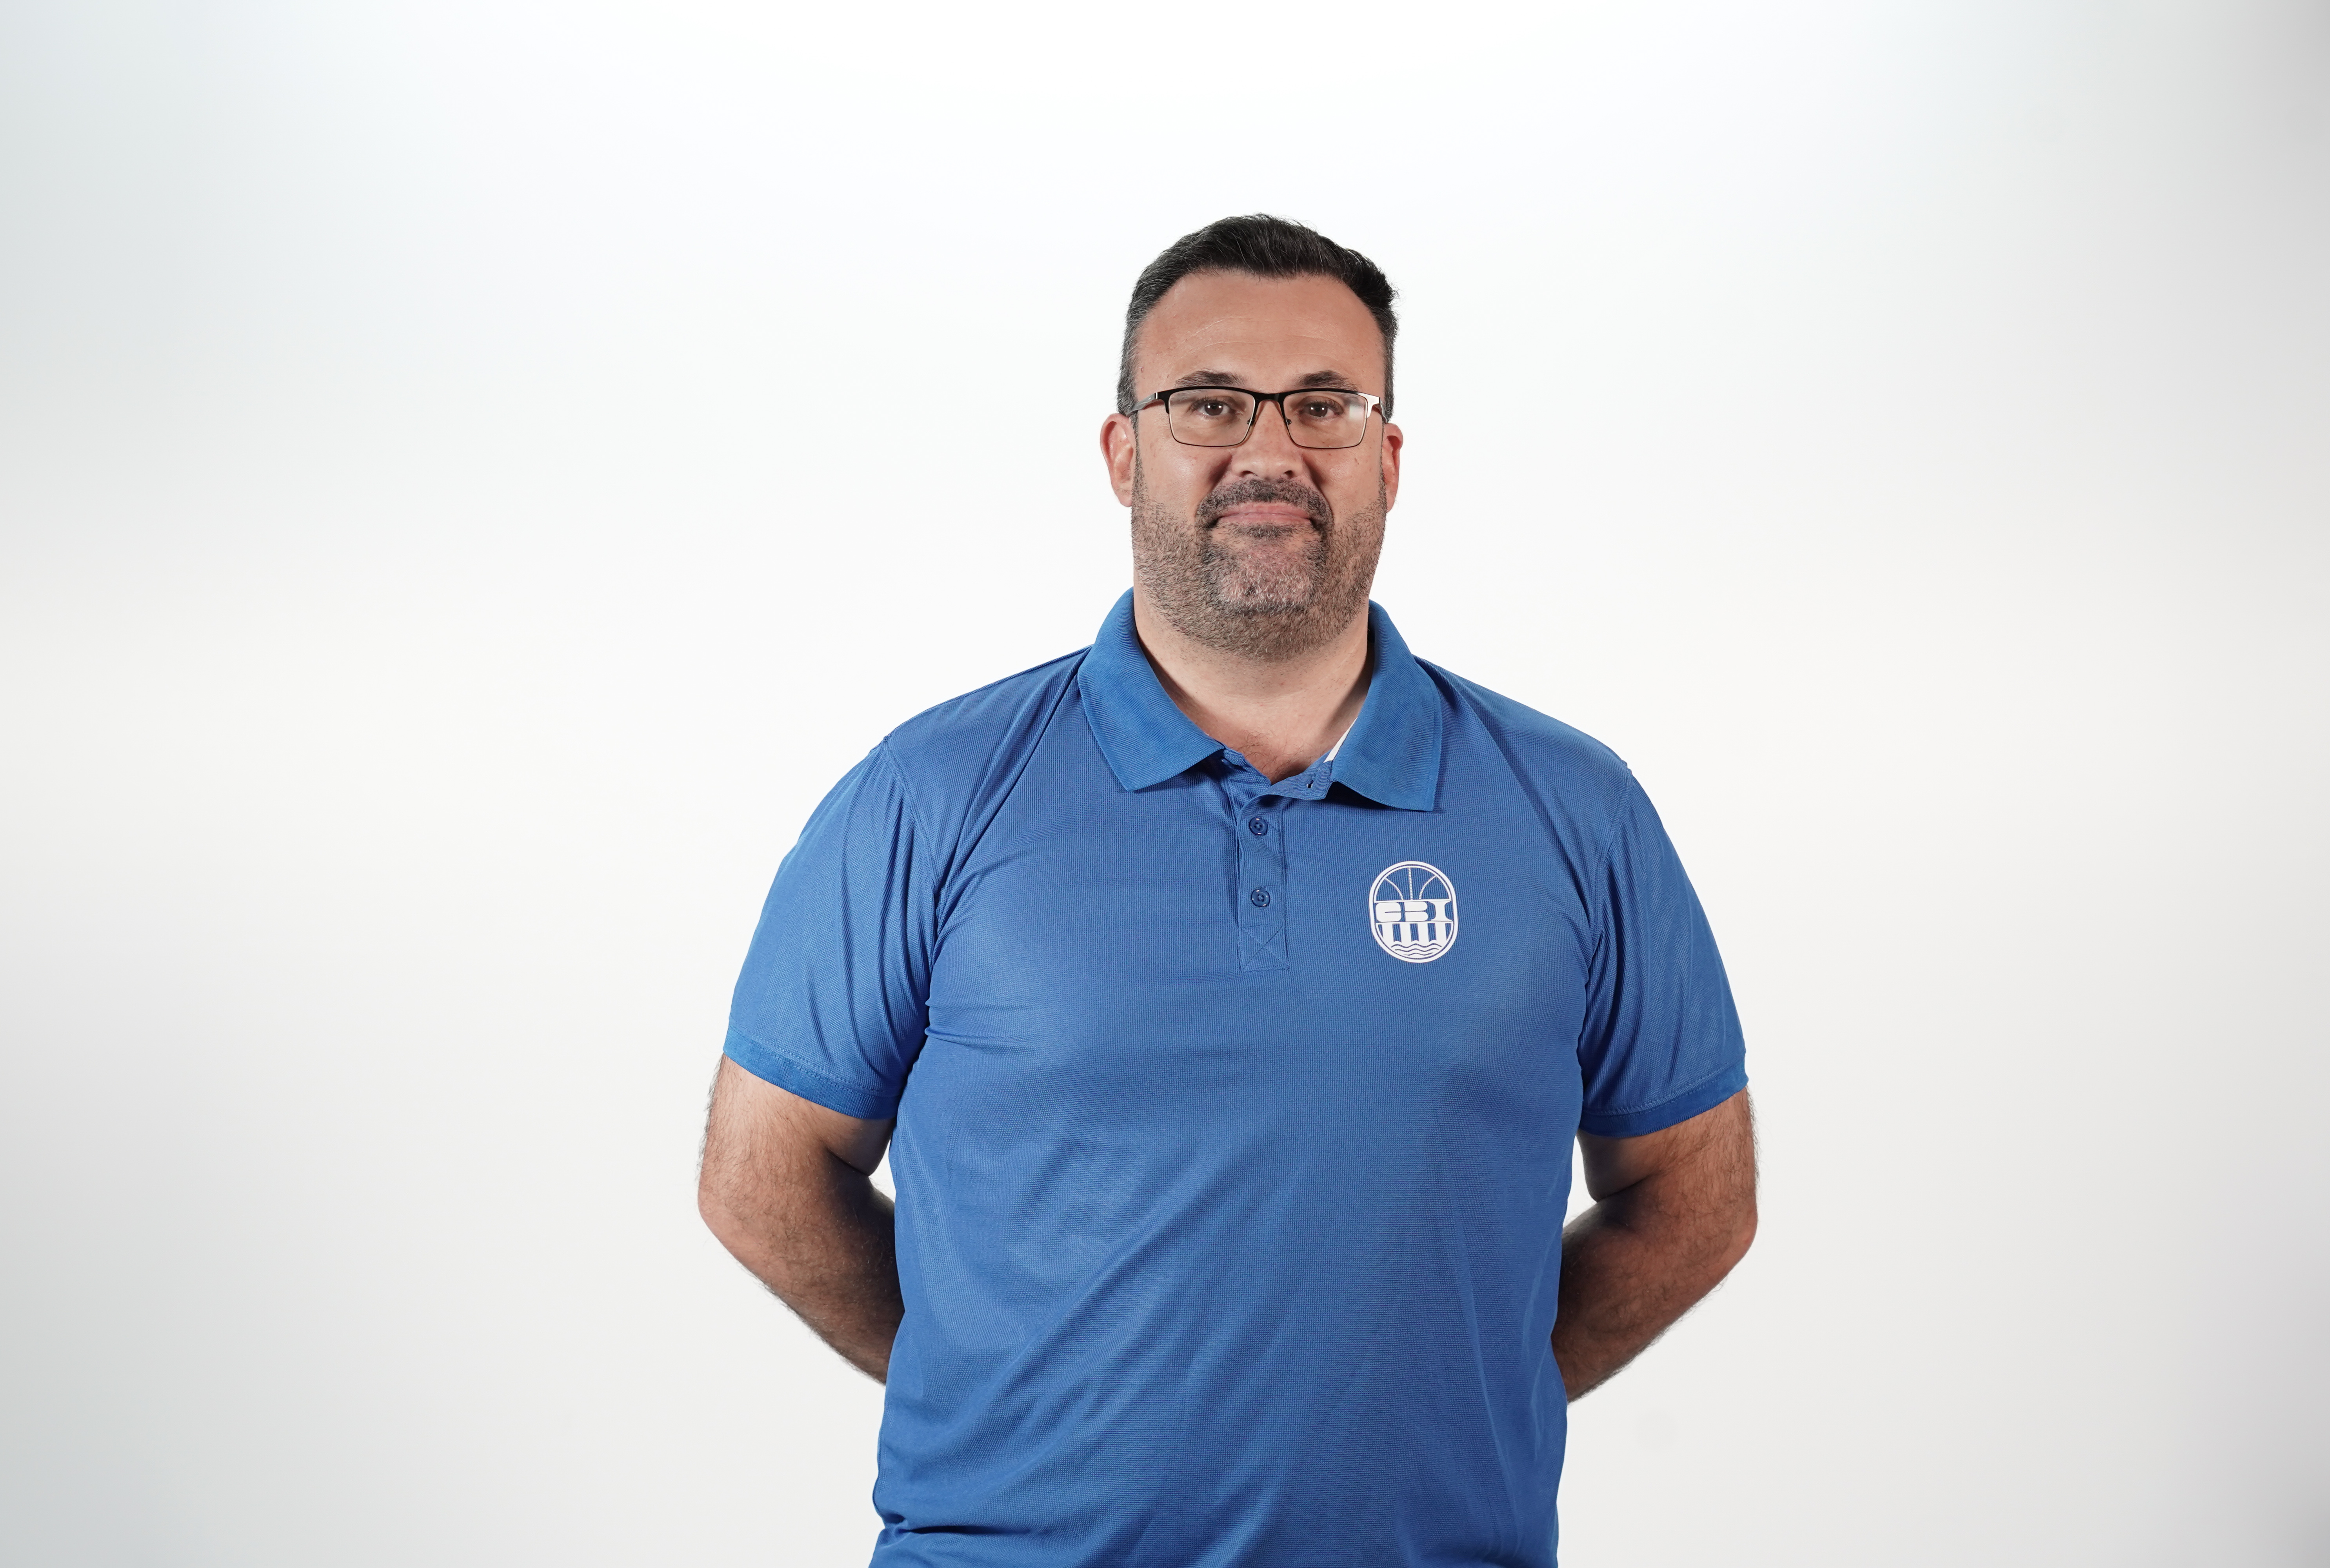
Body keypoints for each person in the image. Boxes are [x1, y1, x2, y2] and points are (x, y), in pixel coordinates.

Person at [699, 214, 1756, 1568]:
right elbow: (763, 1177)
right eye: (1209, 403)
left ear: (1387, 458)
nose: (1271, 450)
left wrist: (1465, 1390)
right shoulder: (933, 793)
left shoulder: (1573, 809)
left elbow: (1694, 1194)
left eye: (1324, 405)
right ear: (1122, 452)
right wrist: (1006, 1386)